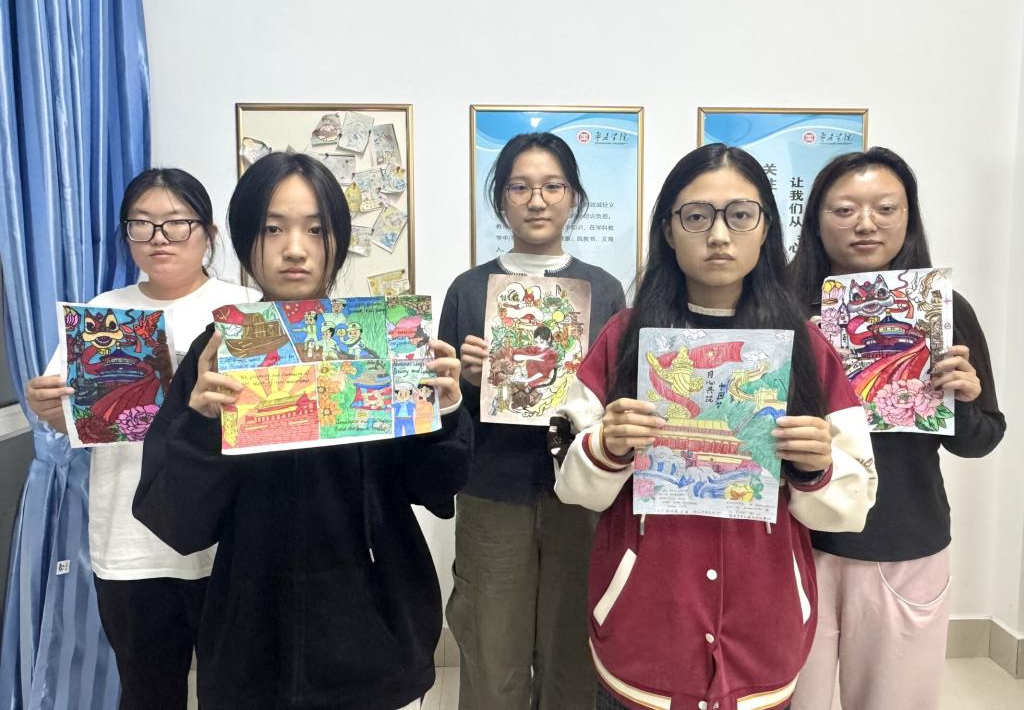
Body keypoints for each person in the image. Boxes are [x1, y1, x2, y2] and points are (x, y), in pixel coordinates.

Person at [132, 152, 471, 710]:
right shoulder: (215, 354)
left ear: (338, 241)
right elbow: (177, 523)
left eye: (316, 229)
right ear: (246, 240)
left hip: (376, 646)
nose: (295, 248)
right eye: (273, 229)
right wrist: (200, 426)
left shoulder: (382, 343)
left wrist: (447, 414)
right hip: (253, 655)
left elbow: (436, 487)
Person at [552, 143, 877, 710]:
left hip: (763, 636)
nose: (720, 236)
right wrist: (605, 447)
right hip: (644, 634)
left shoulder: (806, 345)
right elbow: (571, 486)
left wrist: (816, 467)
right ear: (668, 230)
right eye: (697, 216)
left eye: (741, 215)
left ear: (766, 228)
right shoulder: (624, 338)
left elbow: (855, 504)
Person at [25, 167, 256, 710]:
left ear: (208, 232)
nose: (159, 238)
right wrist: (48, 410)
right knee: (148, 692)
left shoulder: (247, 308)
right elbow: (74, 421)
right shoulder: (101, 314)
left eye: (176, 223)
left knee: (239, 691)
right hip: (130, 543)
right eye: (141, 224)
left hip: (230, 541)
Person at [788, 147, 1005, 710]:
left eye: (886, 208)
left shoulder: (944, 311)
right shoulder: (779, 309)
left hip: (904, 543)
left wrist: (964, 400)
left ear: (909, 217)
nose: (866, 223)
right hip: (795, 542)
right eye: (844, 210)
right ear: (816, 220)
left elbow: (982, 439)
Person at [440, 132, 626, 709]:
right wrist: (467, 381)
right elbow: (438, 405)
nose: (537, 200)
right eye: (520, 187)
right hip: (492, 489)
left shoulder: (603, 289)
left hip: (581, 492)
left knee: (572, 650)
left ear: (574, 197)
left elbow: (619, 397)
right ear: (501, 199)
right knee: (491, 647)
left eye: (553, 186)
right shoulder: (469, 290)